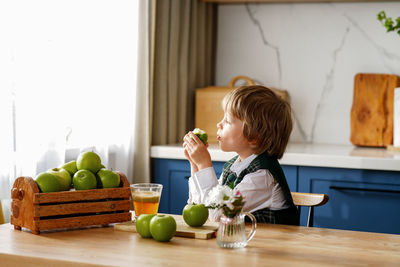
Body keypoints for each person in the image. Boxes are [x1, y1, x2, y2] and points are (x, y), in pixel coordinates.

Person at [183, 85, 299, 225]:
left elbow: (218, 214)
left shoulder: (262, 177)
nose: (219, 124)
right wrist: (195, 165)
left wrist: (204, 164)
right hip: (245, 243)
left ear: (253, 136)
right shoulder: (235, 166)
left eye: (227, 121)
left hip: (271, 245)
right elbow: (202, 207)